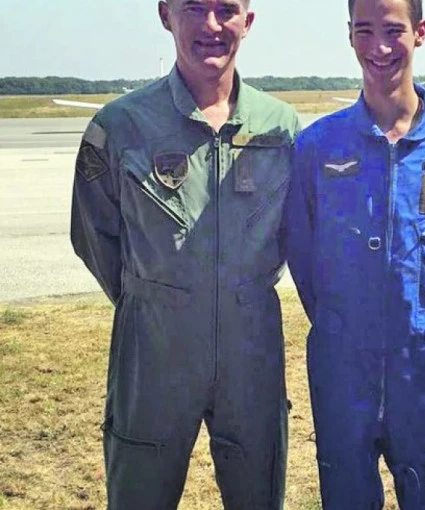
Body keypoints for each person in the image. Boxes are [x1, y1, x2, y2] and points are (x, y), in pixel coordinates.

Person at [70, 0, 299, 508]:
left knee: (259, 494)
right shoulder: (120, 126)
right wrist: (157, 298)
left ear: (248, 21)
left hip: (252, 352)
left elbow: (295, 234)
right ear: (165, 14)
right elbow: (94, 235)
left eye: (226, 9)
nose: (211, 25)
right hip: (154, 351)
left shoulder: (282, 128)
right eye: (195, 7)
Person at [286, 0, 425, 508]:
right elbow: (303, 256)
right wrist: (349, 327)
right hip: (344, 371)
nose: (379, 47)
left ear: (420, 31)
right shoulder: (318, 147)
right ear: (349, 34)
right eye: (364, 31)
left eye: (393, 30)